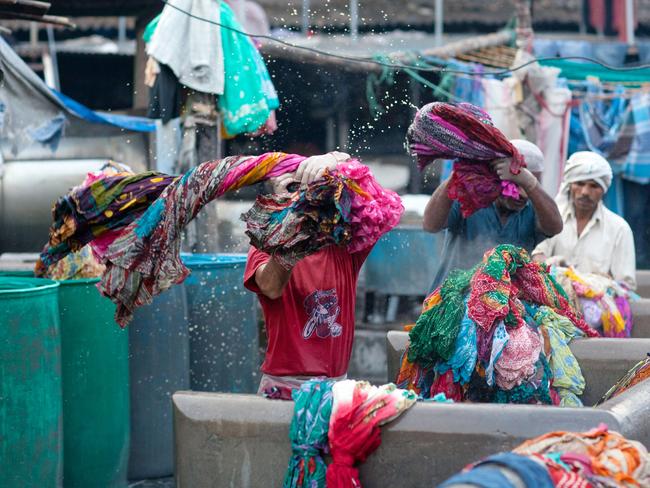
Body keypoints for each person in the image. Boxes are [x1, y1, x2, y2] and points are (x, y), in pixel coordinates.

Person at [243, 151, 392, 399]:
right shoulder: (264, 244)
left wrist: (336, 160)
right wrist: (289, 231)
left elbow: (380, 205)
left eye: (310, 187)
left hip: (336, 387)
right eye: (294, 188)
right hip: (284, 386)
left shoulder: (343, 245)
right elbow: (270, 287)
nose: (304, 196)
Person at [423, 139, 563, 289]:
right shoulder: (469, 198)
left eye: (527, 186)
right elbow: (430, 224)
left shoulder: (533, 210)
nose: (523, 195)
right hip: (454, 300)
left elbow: (554, 227)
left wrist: (529, 182)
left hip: (505, 306)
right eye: (516, 185)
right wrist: (456, 176)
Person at [532, 151, 636, 289]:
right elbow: (537, 258)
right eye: (580, 184)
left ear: (603, 190)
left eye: (594, 186)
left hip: (599, 306)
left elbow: (625, 285)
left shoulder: (619, 228)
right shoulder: (551, 219)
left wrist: (599, 283)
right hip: (554, 304)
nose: (585, 192)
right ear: (570, 186)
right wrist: (555, 266)